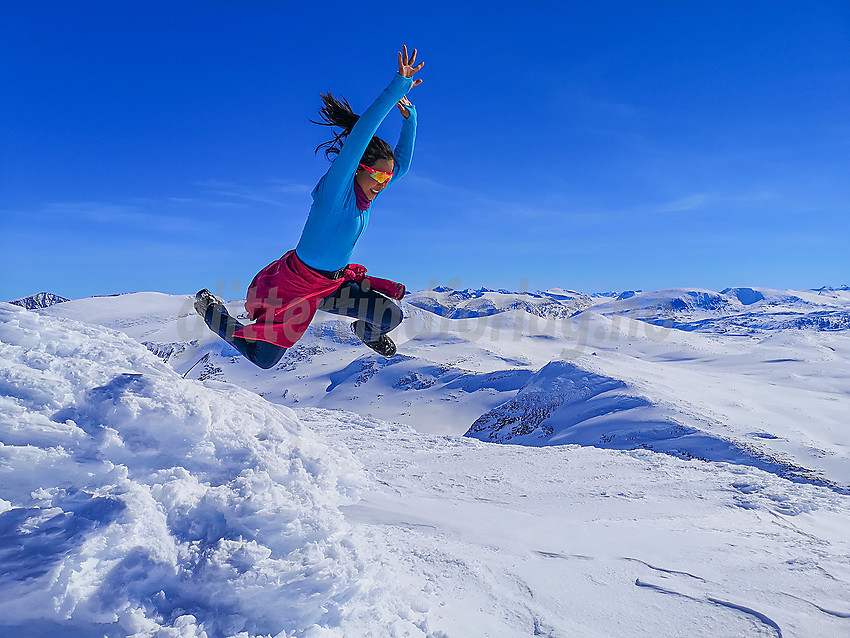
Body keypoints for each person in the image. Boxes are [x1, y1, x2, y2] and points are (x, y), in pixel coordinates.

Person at [194, 46, 424, 370]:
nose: (383, 183)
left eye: (387, 179)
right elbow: (362, 133)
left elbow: (402, 165)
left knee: (391, 316)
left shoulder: (366, 194)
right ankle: (212, 313)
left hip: (333, 285)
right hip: (297, 285)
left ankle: (365, 332)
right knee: (264, 359)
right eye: (377, 175)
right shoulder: (337, 192)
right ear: (357, 167)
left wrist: (411, 119)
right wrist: (397, 87)